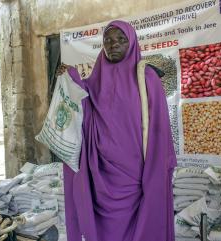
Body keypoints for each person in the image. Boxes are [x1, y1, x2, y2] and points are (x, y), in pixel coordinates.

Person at [58, 20, 176, 241]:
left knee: (141, 227)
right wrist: (71, 78)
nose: (114, 45)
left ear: (131, 42)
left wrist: (155, 171)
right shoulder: (95, 80)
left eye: (121, 40)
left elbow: (159, 130)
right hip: (101, 174)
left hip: (137, 174)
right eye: (108, 41)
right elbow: (82, 110)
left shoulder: (147, 78)